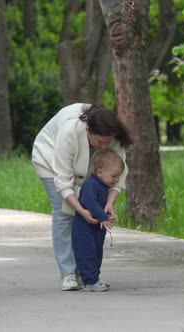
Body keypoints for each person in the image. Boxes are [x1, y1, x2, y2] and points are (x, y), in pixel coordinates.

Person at [31, 103, 132, 291]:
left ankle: (84, 272)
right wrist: (81, 210)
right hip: (49, 158)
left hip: (83, 168)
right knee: (65, 212)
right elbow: (63, 181)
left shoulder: (112, 138)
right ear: (87, 131)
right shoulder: (69, 132)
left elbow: (118, 176)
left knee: (89, 214)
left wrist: (109, 203)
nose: (104, 147)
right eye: (99, 142)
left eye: (106, 142)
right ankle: (68, 273)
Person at [72, 149, 125, 292]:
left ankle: (94, 278)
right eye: (114, 176)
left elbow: (103, 204)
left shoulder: (103, 186)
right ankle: (90, 281)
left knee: (97, 252)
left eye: (118, 177)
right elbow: (89, 201)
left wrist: (107, 212)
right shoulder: (91, 185)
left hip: (96, 228)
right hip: (84, 228)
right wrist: (102, 217)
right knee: (88, 253)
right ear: (100, 172)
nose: (117, 180)